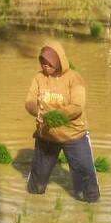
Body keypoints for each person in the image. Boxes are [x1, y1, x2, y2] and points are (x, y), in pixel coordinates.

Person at [25, 40, 100, 203]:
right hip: (47, 136)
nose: (45, 66)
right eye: (43, 62)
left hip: (74, 136)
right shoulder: (39, 78)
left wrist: (56, 115)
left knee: (87, 193)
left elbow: (77, 106)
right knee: (35, 189)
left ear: (59, 61)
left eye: (49, 62)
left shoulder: (74, 78)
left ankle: (88, 213)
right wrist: (37, 111)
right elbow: (29, 101)